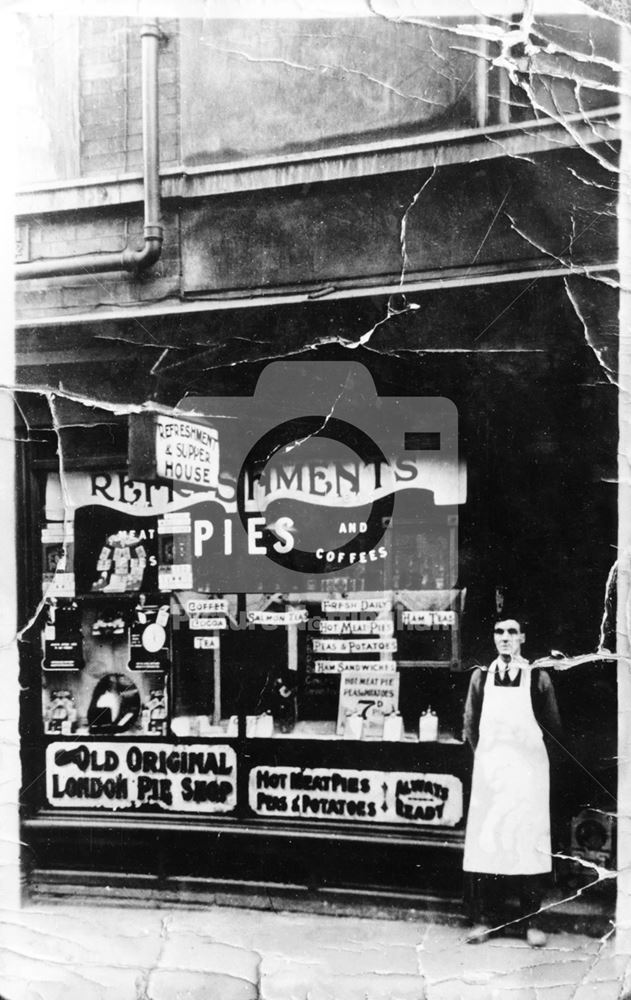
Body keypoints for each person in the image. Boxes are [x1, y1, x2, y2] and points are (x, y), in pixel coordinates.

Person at [463, 617, 562, 948]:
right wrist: (489, 760)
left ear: (522, 637)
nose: (504, 638)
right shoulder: (481, 676)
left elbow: (552, 727)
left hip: (527, 775)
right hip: (492, 773)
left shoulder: (538, 678)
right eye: (498, 633)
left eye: (511, 633)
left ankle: (531, 921)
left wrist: (530, 764)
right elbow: (470, 725)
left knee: (527, 842)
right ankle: (485, 920)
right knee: (488, 842)